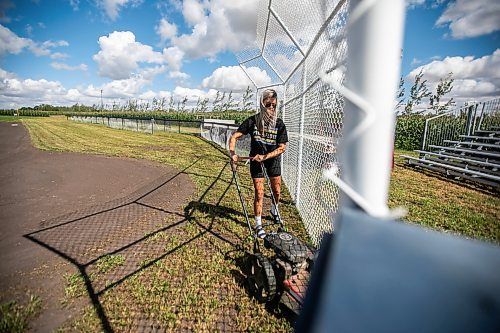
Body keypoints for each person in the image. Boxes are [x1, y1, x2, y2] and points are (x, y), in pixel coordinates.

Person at [229, 89, 288, 239]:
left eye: (274, 105)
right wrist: (232, 154)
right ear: (262, 104)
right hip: (256, 161)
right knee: (259, 193)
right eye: (268, 105)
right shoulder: (252, 121)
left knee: (276, 191)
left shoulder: (279, 124)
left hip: (272, 160)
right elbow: (234, 137)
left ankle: (274, 211)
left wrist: (266, 156)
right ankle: (258, 224)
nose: (272, 108)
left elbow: (282, 148)